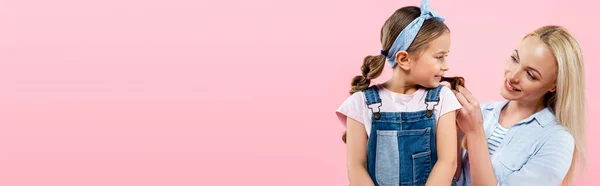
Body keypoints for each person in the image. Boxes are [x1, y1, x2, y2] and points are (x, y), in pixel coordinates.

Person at [335, 0, 461, 185]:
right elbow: (356, 167)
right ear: (404, 59)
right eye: (439, 57)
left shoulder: (443, 98)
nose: (446, 66)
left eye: (446, 56)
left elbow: (447, 162)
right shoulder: (360, 103)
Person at [453, 25, 587, 186]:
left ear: (554, 85)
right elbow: (455, 180)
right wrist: (456, 133)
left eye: (530, 75)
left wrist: (475, 132)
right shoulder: (481, 112)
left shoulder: (557, 140)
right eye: (515, 59)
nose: (513, 76)